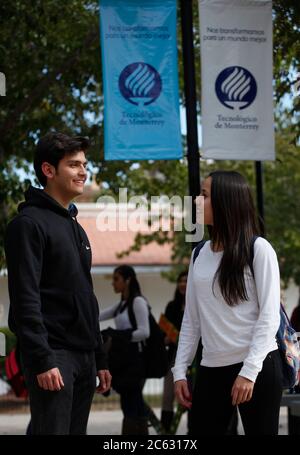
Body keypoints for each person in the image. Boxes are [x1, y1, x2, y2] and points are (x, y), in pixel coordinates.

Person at [4, 132, 111, 435]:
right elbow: (25, 298)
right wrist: (41, 359)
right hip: (54, 356)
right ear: (48, 170)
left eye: (84, 164)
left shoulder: (75, 226)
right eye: (74, 165)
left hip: (84, 357)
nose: (83, 172)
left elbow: (86, 297)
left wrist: (99, 356)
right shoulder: (27, 225)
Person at [173, 170, 283, 436]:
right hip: (211, 368)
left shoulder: (259, 249)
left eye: (204, 195)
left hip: (257, 366)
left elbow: (269, 317)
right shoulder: (199, 253)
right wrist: (179, 370)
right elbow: (192, 320)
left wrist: (249, 372)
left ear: (226, 201)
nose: (197, 200)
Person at [100, 265, 150, 435]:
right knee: (132, 404)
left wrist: (119, 335)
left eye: (116, 279)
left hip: (137, 362)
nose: (113, 283)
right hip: (125, 362)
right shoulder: (121, 305)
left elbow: (144, 332)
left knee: (131, 404)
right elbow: (98, 315)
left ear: (128, 280)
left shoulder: (138, 302)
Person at [161, 271, 188, 433]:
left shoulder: (197, 304)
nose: (182, 284)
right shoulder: (171, 306)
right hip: (173, 357)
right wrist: (167, 337)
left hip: (194, 361)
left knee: (192, 395)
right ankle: (166, 433)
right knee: (168, 396)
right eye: (180, 281)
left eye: (186, 281)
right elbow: (164, 333)